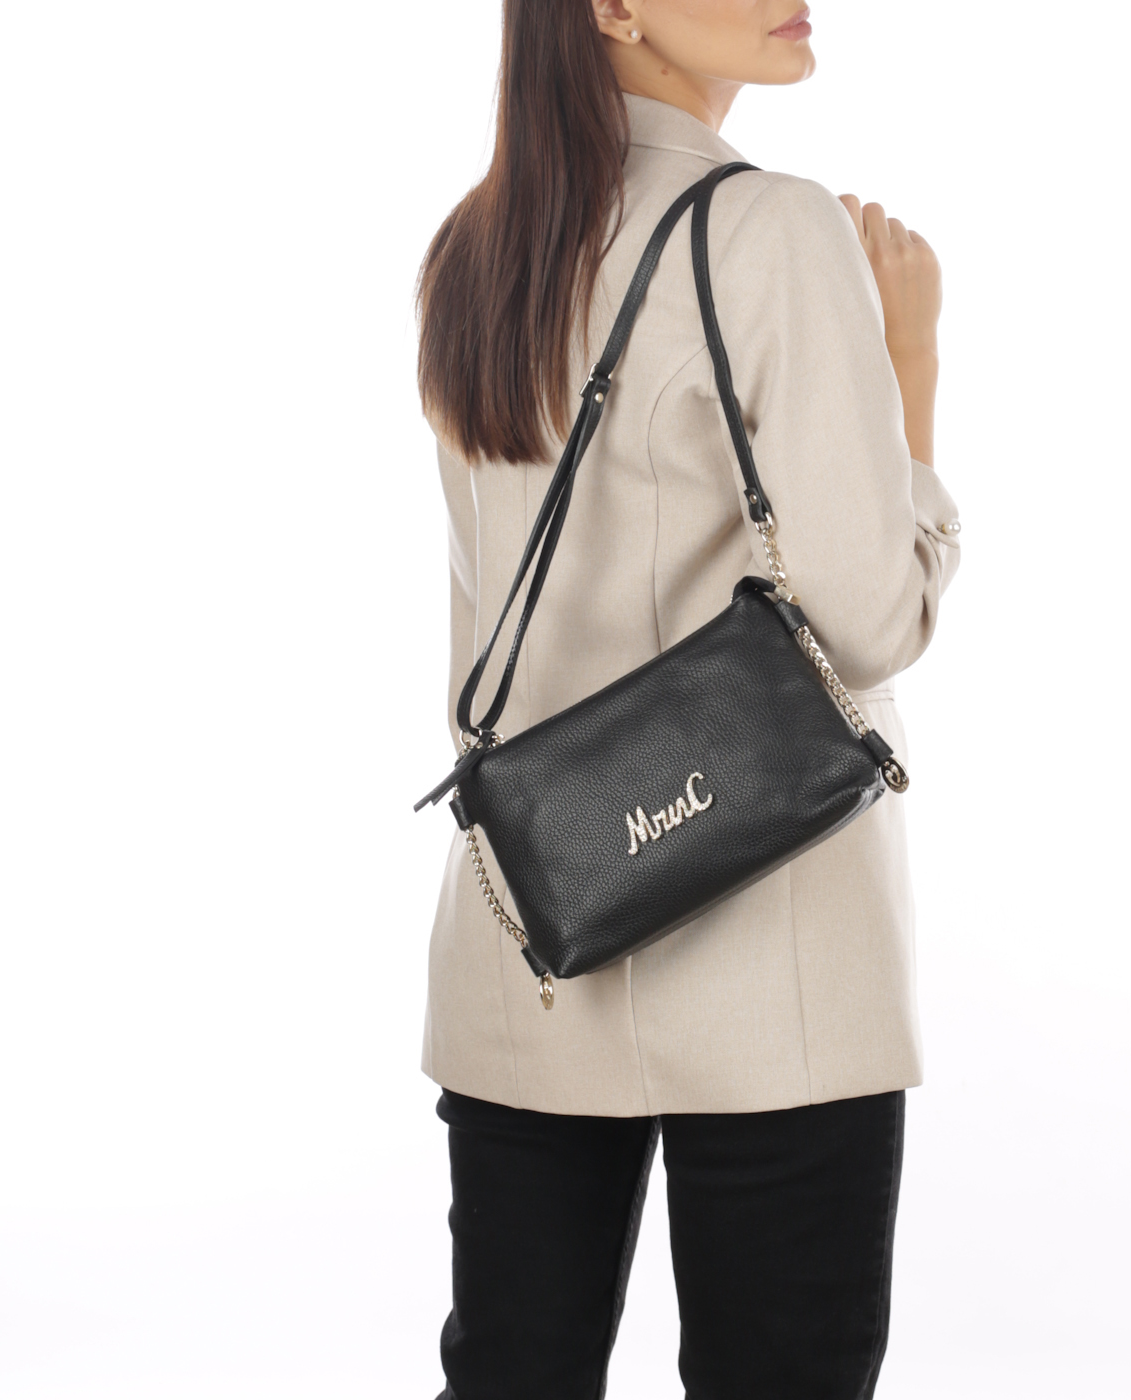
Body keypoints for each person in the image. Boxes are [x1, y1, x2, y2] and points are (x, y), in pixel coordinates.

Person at [414, 3, 961, 1396]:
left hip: (531, 929)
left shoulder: (477, 246)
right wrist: (911, 375)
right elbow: (869, 621)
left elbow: (484, 624)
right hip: (777, 955)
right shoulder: (775, 230)